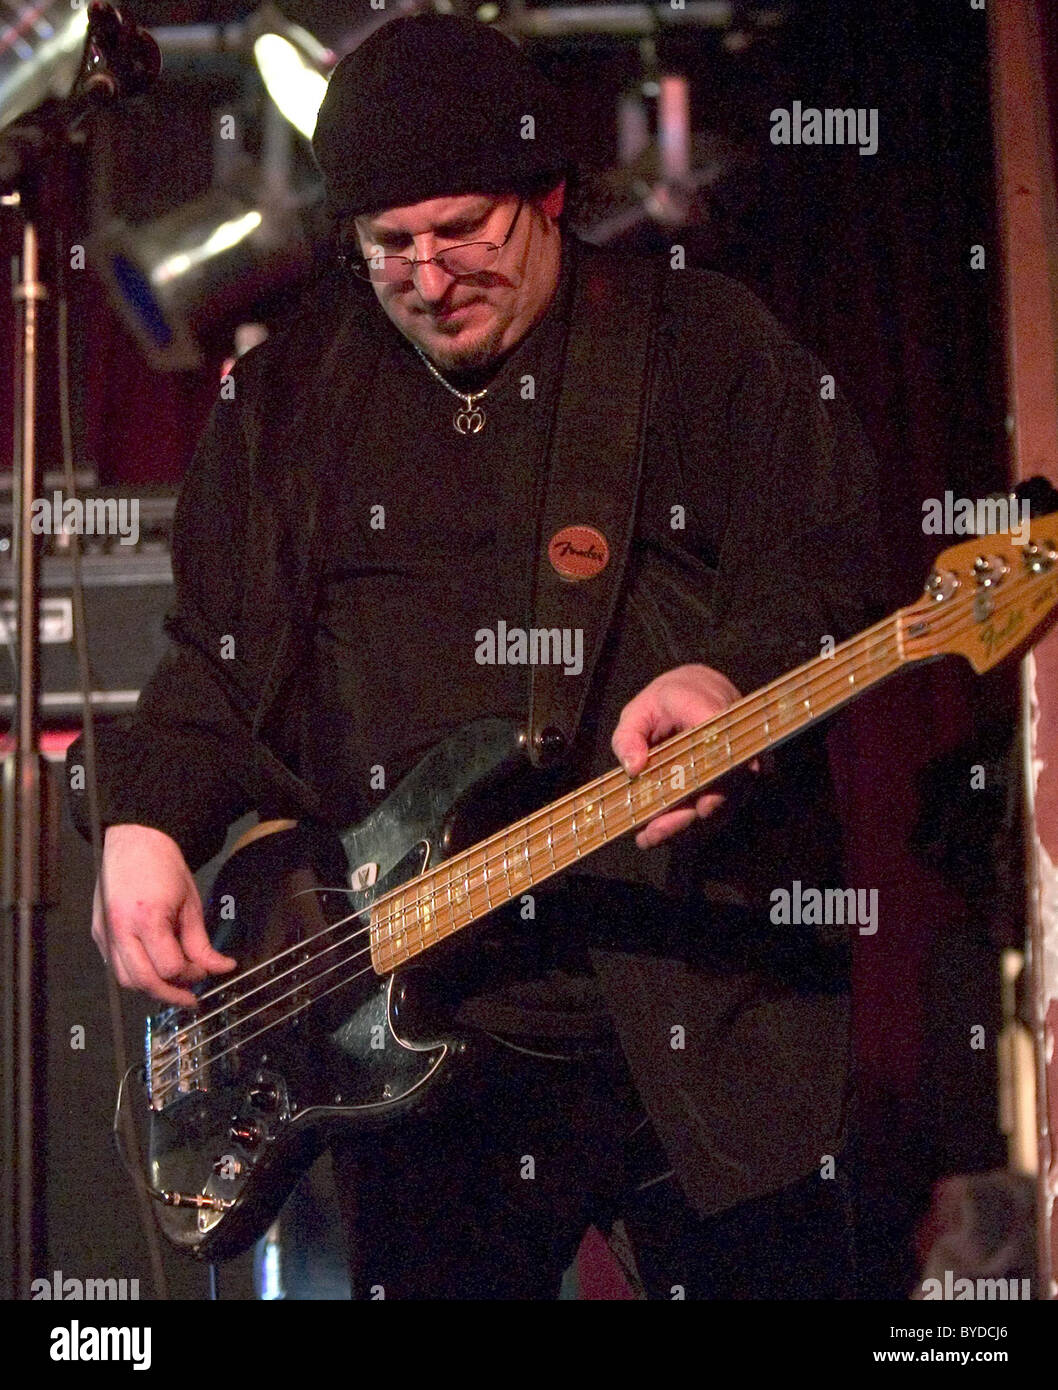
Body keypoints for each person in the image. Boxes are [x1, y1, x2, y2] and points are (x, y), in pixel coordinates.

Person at [69, 13, 892, 1299]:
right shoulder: (287, 400)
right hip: (418, 1057)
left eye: (463, 232)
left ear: (549, 196)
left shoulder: (702, 347)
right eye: (389, 246)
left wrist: (727, 679)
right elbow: (216, 673)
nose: (429, 275)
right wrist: (142, 819)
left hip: (694, 1013)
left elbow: (829, 563)